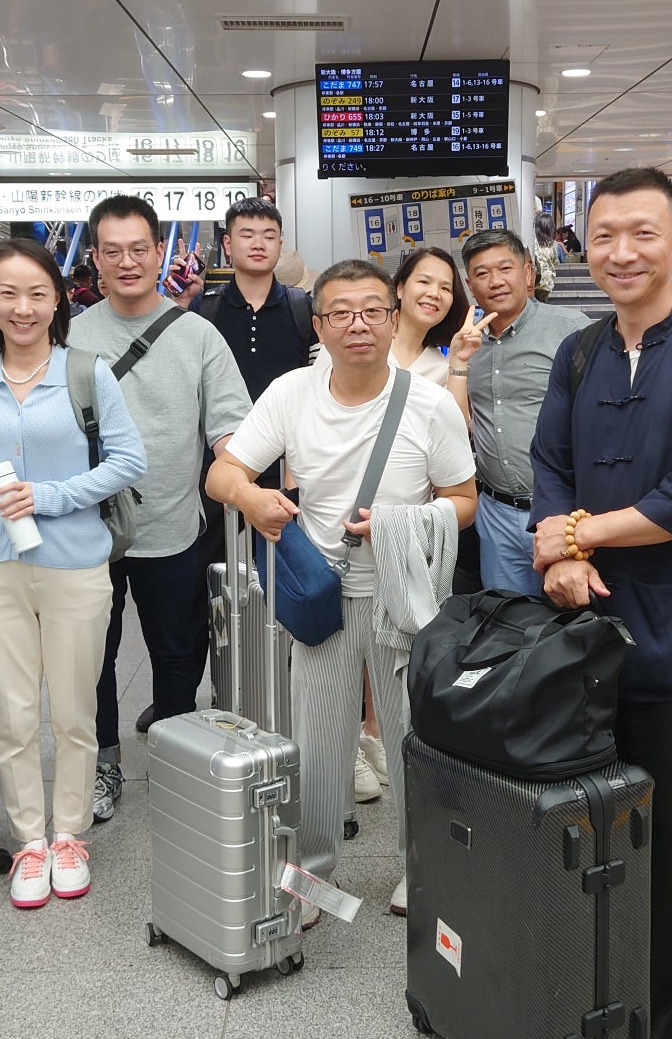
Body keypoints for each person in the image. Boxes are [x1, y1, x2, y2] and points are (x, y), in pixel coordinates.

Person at [529, 168, 672, 1038]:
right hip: (582, 624)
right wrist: (559, 550)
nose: (621, 251)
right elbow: (548, 459)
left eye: (642, 233)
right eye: (604, 235)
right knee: (576, 827)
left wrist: (574, 535)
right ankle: (584, 996)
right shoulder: (580, 350)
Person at [207, 258, 477, 922]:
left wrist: (397, 524)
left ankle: (426, 867)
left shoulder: (430, 402)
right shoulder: (292, 392)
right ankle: (311, 877)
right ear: (319, 325)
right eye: (341, 312)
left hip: (403, 594)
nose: (358, 323)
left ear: (393, 318)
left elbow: (462, 500)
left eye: (372, 310)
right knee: (319, 745)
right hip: (320, 596)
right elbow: (223, 473)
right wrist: (252, 496)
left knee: (416, 738)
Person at [0, 238, 146, 908]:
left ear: (58, 299)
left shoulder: (86, 372)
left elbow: (129, 460)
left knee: (75, 710)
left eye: (37, 293)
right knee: (15, 714)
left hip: (75, 563)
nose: (23, 308)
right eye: (8, 293)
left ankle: (69, 833)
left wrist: (49, 496)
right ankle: (28, 840)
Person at [69, 194, 252, 823]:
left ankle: (174, 758)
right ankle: (103, 762)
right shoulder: (72, 333)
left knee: (179, 652)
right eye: (112, 251)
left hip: (172, 526)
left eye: (139, 249)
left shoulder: (199, 335)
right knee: (93, 651)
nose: (127, 262)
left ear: (160, 253)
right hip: (86, 527)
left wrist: (241, 470)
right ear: (94, 258)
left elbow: (230, 425)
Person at [457, 228, 590, 596]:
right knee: (507, 629)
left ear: (528, 273)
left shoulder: (570, 329)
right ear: (470, 285)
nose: (495, 281)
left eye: (506, 268)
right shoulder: (467, 343)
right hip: (496, 513)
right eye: (482, 273)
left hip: (563, 514)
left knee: (572, 630)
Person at [197, 197, 315, 401]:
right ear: (227, 244)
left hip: (288, 431)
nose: (258, 245)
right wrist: (180, 303)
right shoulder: (204, 307)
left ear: (279, 246)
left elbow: (319, 379)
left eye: (269, 237)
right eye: (247, 236)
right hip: (223, 432)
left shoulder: (304, 307)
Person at [389, 246, 470, 391]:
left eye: (445, 288)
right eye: (424, 282)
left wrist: (458, 364)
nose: (434, 294)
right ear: (400, 288)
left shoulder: (440, 367)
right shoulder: (368, 344)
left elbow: (456, 414)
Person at [532, 214, 559, 302]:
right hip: (547, 281)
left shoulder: (532, 241)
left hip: (533, 278)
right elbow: (555, 262)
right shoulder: (553, 244)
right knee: (542, 303)